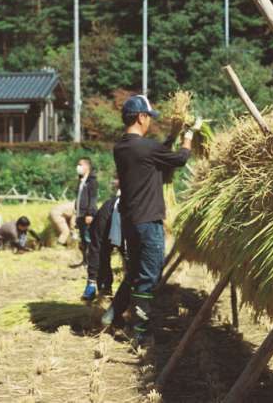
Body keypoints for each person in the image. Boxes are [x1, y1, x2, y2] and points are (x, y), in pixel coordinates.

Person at [102, 94, 201, 348]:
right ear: (141, 117)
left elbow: (157, 154)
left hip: (130, 221)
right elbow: (179, 159)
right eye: (148, 118)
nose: (150, 123)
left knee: (134, 271)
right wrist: (188, 137)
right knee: (149, 276)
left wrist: (171, 137)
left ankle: (113, 314)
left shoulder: (122, 147)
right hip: (149, 222)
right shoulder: (144, 147)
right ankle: (140, 333)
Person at [82, 177, 125, 301]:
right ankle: (99, 286)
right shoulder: (109, 206)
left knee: (128, 254)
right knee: (101, 252)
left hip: (128, 213)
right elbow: (96, 247)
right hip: (108, 214)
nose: (115, 182)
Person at [76, 158, 99, 298]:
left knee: (89, 240)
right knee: (83, 241)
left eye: (80, 165)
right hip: (80, 215)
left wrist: (90, 213)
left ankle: (91, 264)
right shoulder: (80, 181)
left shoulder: (92, 182)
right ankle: (85, 261)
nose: (78, 167)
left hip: (87, 215)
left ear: (87, 167)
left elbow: (93, 198)